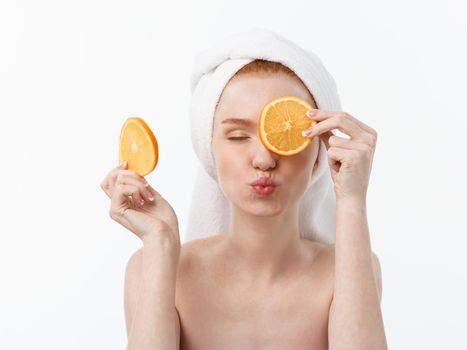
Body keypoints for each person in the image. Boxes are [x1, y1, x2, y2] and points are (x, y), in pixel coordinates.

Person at [100, 30, 387, 349]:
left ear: (319, 153)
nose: (264, 160)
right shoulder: (153, 267)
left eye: (285, 136)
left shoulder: (350, 267)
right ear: (209, 149)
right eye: (237, 137)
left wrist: (352, 200)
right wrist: (160, 243)